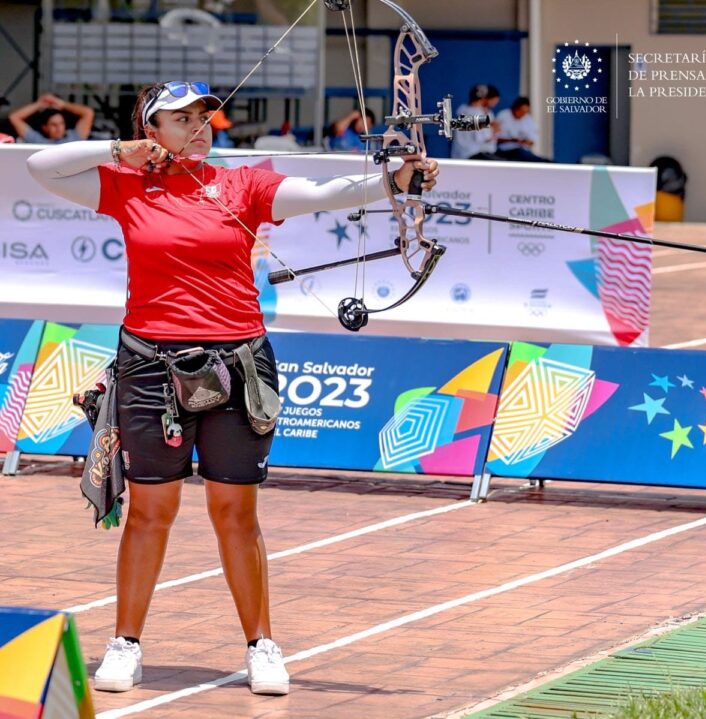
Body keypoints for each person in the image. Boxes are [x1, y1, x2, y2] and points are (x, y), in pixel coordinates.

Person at [26, 80, 438, 696]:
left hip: (237, 364)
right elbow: (40, 165)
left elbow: (324, 193)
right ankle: (126, 643)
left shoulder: (243, 185)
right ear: (152, 128)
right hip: (149, 366)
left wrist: (393, 182)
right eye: (180, 118)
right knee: (149, 511)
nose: (198, 126)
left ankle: (261, 646)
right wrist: (121, 152)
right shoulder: (129, 185)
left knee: (234, 513)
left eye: (203, 116)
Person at [10, 93, 94, 144]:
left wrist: (62, 104)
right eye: (53, 124)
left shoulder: (74, 138)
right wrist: (38, 104)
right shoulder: (37, 140)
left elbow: (88, 113)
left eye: (61, 123)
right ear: (45, 127)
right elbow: (14, 117)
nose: (59, 128)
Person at [449, 83, 501, 161]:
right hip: (472, 155)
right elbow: (483, 138)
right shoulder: (478, 113)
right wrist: (493, 129)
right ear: (484, 99)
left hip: (458, 154)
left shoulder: (462, 110)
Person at [495, 96, 550, 162]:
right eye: (521, 111)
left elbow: (532, 140)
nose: (522, 114)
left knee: (533, 158)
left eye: (525, 112)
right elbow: (495, 137)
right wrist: (512, 140)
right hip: (505, 150)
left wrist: (525, 141)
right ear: (515, 108)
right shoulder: (503, 115)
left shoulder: (528, 119)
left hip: (523, 151)